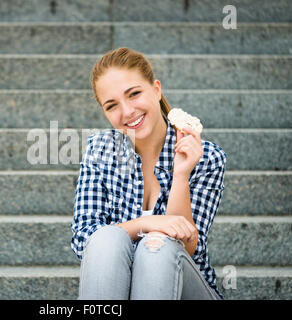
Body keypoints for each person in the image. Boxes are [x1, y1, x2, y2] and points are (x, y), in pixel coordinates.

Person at [71, 47, 226, 300]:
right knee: (106, 239)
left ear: (156, 89)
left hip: (188, 289)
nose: (128, 111)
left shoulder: (206, 157)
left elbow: (186, 245)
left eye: (134, 94)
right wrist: (146, 223)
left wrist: (181, 175)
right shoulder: (99, 150)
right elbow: (84, 240)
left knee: (158, 248)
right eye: (112, 106)